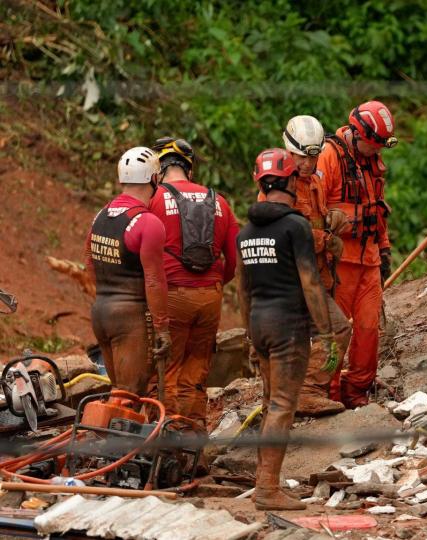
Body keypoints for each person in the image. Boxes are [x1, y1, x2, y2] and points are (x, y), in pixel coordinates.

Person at [237, 148, 352, 510]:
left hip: (259, 324)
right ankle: (268, 489)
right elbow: (311, 284)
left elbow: (242, 290)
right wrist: (329, 336)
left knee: (271, 403)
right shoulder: (295, 226)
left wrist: (248, 335)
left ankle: (263, 481)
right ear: (288, 180)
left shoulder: (246, 233)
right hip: (288, 328)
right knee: (283, 406)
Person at [147, 137, 239, 427]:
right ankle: (194, 448)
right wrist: (213, 283)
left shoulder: (153, 200)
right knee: (196, 373)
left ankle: (169, 445)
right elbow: (233, 260)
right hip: (210, 296)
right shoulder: (219, 201)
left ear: (158, 169)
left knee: (167, 372)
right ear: (189, 168)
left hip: (171, 293)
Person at [318, 101, 397, 409]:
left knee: (368, 330)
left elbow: (378, 209)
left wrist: (385, 247)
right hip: (340, 263)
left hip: (370, 260)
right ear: (357, 132)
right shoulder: (329, 156)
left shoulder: (371, 160)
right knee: (336, 333)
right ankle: (330, 395)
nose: (375, 152)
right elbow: (317, 210)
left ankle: (357, 392)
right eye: (372, 145)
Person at [274, 115, 351, 416]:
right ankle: (308, 391)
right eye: (303, 156)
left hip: (316, 276)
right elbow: (287, 232)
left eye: (314, 155)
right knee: (337, 330)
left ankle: (309, 390)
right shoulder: (280, 185)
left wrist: (335, 218)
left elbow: (317, 219)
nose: (308, 162)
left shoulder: (315, 182)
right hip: (295, 278)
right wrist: (325, 238)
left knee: (329, 335)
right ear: (289, 151)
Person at [85, 147, 170, 395]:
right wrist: (162, 327)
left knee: (118, 390)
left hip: (101, 313)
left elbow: (89, 262)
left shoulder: (101, 215)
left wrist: (105, 298)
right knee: (130, 395)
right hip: (130, 318)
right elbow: (155, 281)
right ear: (154, 178)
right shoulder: (147, 222)